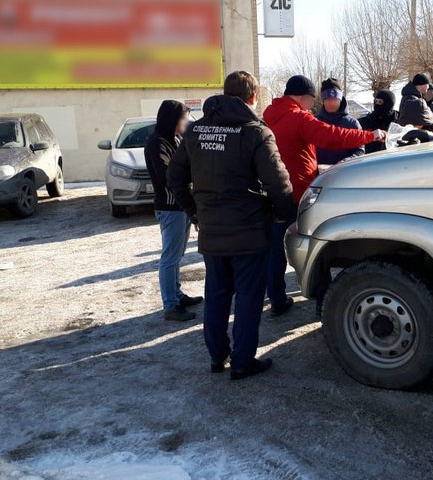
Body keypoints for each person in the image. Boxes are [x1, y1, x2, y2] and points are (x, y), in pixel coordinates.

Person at [167, 71, 294, 380]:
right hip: (250, 232)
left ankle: (217, 356)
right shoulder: (255, 132)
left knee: (217, 295)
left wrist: (196, 212)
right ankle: (242, 361)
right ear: (252, 98)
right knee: (249, 299)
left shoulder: (195, 132)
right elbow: (279, 183)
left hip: (213, 232)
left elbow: (174, 178)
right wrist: (284, 214)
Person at [263, 75, 386, 316]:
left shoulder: (269, 115)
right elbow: (332, 136)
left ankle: (276, 298)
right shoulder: (299, 117)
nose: (313, 104)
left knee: (274, 248)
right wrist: (370, 136)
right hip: (297, 192)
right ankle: (322, 301)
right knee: (314, 244)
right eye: (311, 99)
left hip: (273, 191)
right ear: (302, 97)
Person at [144, 100, 202, 322]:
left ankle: (177, 295)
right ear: (173, 119)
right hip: (170, 208)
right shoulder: (156, 143)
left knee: (177, 255)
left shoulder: (174, 139)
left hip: (182, 206)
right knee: (170, 257)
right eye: (183, 118)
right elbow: (167, 177)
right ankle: (170, 305)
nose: (186, 122)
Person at [315, 78, 365, 165]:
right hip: (318, 174)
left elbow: (359, 152)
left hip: (344, 174)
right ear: (323, 101)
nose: (332, 103)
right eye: (328, 100)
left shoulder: (352, 124)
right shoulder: (314, 122)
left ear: (340, 99)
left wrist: (344, 163)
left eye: (335, 100)